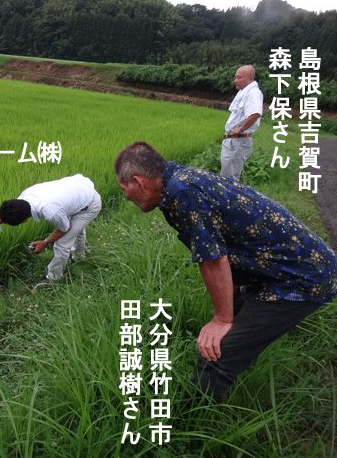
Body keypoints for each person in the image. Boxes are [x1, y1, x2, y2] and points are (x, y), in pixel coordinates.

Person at [114, 141, 337, 402]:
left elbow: (213, 259)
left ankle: (189, 423)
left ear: (138, 182)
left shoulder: (183, 194)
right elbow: (222, 246)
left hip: (303, 279)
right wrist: (229, 304)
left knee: (221, 351)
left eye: (124, 188)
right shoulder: (181, 181)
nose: (126, 196)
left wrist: (221, 319)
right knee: (229, 330)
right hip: (280, 270)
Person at [0, 174, 101, 287]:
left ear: (24, 220)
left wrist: (45, 242)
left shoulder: (50, 211)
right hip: (78, 190)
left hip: (90, 204)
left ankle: (54, 278)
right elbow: (10, 211)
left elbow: (65, 228)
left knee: (62, 242)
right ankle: (79, 258)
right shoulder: (24, 198)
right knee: (76, 231)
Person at [221, 65, 264, 181]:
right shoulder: (243, 91)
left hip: (238, 141)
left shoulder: (253, 93)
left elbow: (255, 113)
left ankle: (231, 198)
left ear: (250, 78)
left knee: (229, 179)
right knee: (227, 177)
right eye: (235, 77)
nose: (235, 80)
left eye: (239, 78)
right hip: (233, 141)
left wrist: (240, 129)